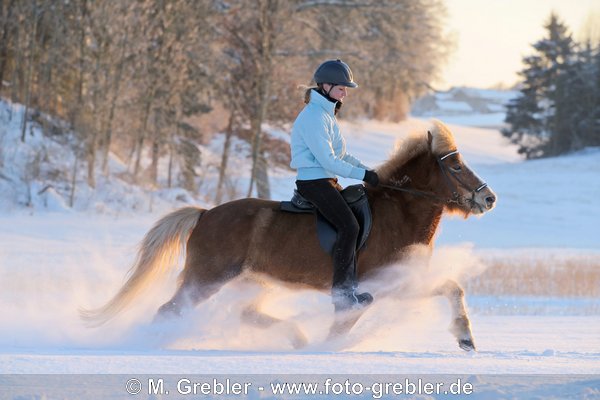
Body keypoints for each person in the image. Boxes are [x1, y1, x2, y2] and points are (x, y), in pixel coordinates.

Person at [290, 59, 379, 312]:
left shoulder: (327, 114)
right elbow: (327, 160)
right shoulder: (313, 117)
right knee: (348, 225)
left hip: (327, 180)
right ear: (326, 86)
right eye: (341, 88)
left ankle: (350, 283)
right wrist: (361, 173)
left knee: (360, 215)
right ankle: (342, 294)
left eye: (346, 89)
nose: (345, 93)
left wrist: (370, 172)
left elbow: (342, 155)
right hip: (313, 182)